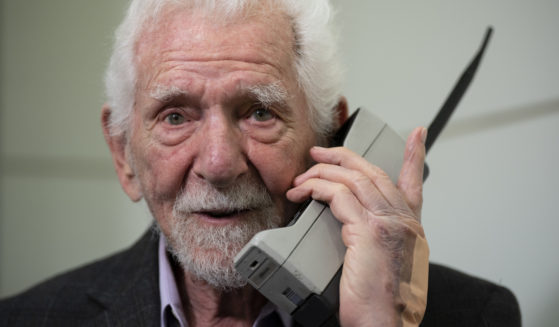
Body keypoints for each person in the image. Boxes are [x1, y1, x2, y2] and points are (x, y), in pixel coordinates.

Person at [0, 0, 520, 326]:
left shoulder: (475, 316)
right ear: (123, 156)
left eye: (259, 111)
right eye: (176, 116)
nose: (220, 164)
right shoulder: (28, 319)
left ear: (331, 136)